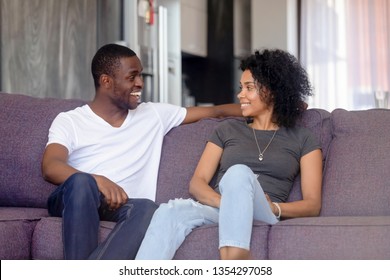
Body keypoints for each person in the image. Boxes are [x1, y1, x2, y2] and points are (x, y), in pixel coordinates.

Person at [41, 43, 242, 260]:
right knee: (82, 183)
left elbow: (217, 111)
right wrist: (98, 180)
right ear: (106, 81)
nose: (140, 83)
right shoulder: (70, 120)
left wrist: (267, 108)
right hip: (76, 199)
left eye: (141, 76)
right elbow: (50, 166)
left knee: (148, 208)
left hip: (122, 205)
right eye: (132, 77)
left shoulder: (154, 114)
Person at [135, 48, 323, 260]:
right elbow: (197, 183)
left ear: (271, 91)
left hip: (263, 211)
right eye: (241, 87)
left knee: (238, 173)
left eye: (249, 88)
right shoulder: (227, 130)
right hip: (219, 206)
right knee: (170, 210)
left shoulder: (303, 138)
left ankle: (234, 263)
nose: (240, 95)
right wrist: (231, 204)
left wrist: (276, 208)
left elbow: (312, 204)